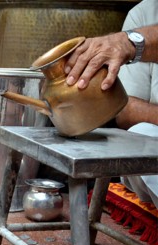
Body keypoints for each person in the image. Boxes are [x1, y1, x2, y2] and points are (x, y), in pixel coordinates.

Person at [64, 0, 158, 208]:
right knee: (140, 136)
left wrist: (131, 43)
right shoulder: (145, 12)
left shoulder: (130, 39)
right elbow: (127, 109)